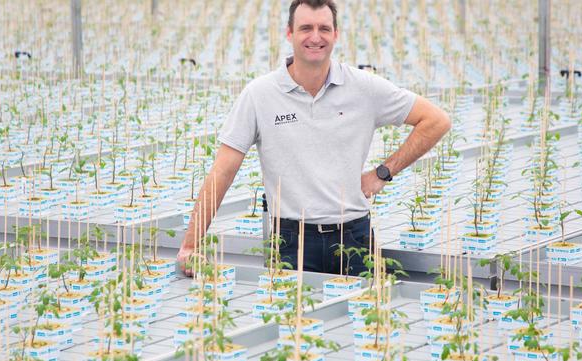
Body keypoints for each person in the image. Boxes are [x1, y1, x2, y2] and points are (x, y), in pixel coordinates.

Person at [177, 0, 451, 276]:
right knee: (287, 317)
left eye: (324, 28)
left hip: (354, 236)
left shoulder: (363, 87)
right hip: (290, 239)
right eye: (305, 28)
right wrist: (190, 244)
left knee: (363, 317)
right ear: (289, 33)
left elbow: (436, 121)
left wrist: (382, 173)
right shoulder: (260, 95)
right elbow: (223, 170)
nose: (315, 37)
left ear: (336, 34)